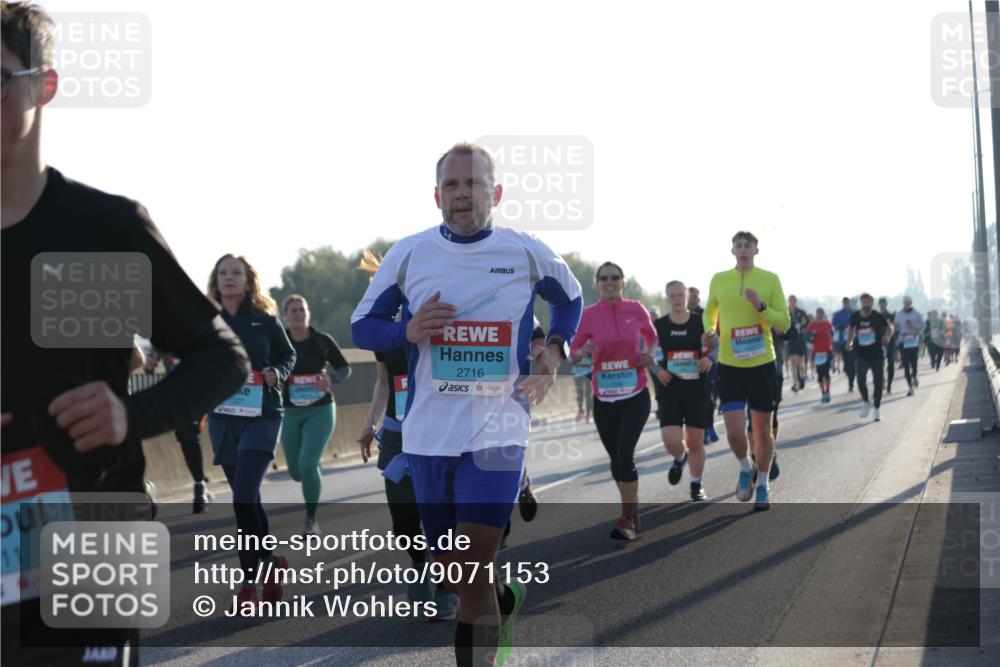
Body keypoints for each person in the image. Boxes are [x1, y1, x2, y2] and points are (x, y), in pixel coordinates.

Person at [2, 3, 249, 663]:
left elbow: (222, 355)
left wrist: (128, 413)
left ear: (44, 85)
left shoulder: (101, 227)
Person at [351, 143, 582, 667]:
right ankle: (503, 599)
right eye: (452, 186)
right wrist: (405, 329)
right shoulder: (409, 254)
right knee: (458, 577)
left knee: (473, 565)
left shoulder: (525, 252)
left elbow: (570, 299)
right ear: (436, 196)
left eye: (472, 184)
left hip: (498, 429)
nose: (462, 194)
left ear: (494, 193)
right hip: (429, 434)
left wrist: (553, 348)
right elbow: (361, 326)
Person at [207, 254, 296, 609]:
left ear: (248, 281)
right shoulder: (206, 321)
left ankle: (247, 584)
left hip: (263, 414)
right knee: (249, 500)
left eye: (236, 273)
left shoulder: (264, 320)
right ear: (215, 281)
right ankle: (271, 564)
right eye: (223, 273)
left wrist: (278, 372)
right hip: (223, 417)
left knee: (243, 496)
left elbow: (287, 356)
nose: (229, 278)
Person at [702, 231, 790, 512]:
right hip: (730, 364)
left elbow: (783, 323)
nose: (742, 249)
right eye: (738, 245)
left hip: (762, 364)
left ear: (756, 251)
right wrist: (708, 329)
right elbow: (709, 311)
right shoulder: (719, 279)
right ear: (732, 251)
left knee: (763, 431)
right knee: (734, 427)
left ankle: (762, 484)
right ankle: (743, 466)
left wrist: (761, 306)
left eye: (747, 245)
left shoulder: (769, 279)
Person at [571, 261, 657, 540]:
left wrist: (648, 354)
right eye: (604, 277)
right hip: (604, 398)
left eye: (615, 277)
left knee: (624, 455)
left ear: (623, 282)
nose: (610, 281)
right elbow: (572, 352)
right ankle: (630, 509)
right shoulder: (588, 315)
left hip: (635, 394)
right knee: (615, 460)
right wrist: (583, 349)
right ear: (597, 284)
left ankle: (627, 518)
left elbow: (652, 337)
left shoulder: (636, 309)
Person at [281, 294, 351, 535]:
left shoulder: (322, 340)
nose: (298, 314)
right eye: (293, 311)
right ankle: (310, 470)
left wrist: (331, 378)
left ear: (308, 314)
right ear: (286, 316)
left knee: (308, 464)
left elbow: (344, 367)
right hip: (290, 412)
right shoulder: (279, 342)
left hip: (320, 409)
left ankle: (311, 520)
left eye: (302, 310)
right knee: (296, 471)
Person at [652, 281, 713, 501]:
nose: (677, 299)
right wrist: (658, 370)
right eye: (673, 295)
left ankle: (696, 484)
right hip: (670, 389)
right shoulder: (659, 326)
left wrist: (709, 358)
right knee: (670, 438)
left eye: (681, 295)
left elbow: (719, 345)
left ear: (687, 296)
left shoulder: (701, 322)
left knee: (696, 441)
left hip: (697, 389)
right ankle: (679, 457)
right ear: (667, 298)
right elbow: (647, 354)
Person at [847, 293, 893, 422]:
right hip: (861, 354)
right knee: (860, 380)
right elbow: (851, 329)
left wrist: (887, 336)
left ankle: (877, 409)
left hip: (877, 354)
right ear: (861, 303)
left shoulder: (878, 316)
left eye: (869, 302)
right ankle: (866, 401)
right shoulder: (855, 316)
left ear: (872, 303)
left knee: (878, 382)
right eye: (864, 302)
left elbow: (890, 327)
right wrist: (849, 342)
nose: (866, 305)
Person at [688, 286, 720, 443]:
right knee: (694, 399)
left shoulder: (705, 315)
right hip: (688, 364)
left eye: (695, 297)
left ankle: (710, 426)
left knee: (709, 397)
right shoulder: (680, 316)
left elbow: (715, 338)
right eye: (690, 296)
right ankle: (698, 430)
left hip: (708, 362)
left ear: (698, 299)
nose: (692, 299)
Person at [894, 296, 924, 396]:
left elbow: (923, 326)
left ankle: (914, 376)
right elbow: (895, 326)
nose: (906, 304)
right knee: (906, 365)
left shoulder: (917, 314)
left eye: (908, 302)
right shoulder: (899, 314)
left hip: (914, 340)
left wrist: (913, 326)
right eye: (905, 302)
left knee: (914, 362)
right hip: (903, 340)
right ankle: (910, 387)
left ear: (911, 303)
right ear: (903, 303)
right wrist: (896, 328)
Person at [806, 309, 834, 402]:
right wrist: (811, 335)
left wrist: (831, 344)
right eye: (818, 314)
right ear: (816, 315)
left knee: (826, 373)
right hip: (817, 353)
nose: (820, 316)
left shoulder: (827, 324)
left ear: (823, 315)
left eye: (821, 314)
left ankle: (828, 392)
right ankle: (823, 393)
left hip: (826, 351)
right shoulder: (812, 325)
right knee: (820, 374)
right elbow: (807, 337)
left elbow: (831, 335)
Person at [786, 295, 810, 392]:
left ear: (796, 301)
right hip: (791, 339)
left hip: (800, 338)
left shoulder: (801, 312)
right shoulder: (785, 312)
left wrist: (801, 326)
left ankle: (802, 377)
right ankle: (795, 383)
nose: (792, 302)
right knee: (793, 361)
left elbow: (807, 322)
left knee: (800, 362)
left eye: (793, 300)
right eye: (790, 300)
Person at [832, 297, 855, 390]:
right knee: (847, 363)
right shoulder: (838, 314)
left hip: (854, 340)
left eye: (848, 303)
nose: (847, 304)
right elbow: (834, 324)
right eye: (845, 303)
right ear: (843, 303)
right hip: (843, 341)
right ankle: (849, 375)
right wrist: (842, 327)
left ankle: (851, 381)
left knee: (852, 361)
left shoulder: (854, 313)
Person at [878, 297, 897, 394]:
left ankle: (889, 385)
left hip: (890, 343)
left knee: (891, 365)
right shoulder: (876, 316)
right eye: (880, 303)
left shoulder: (891, 316)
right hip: (878, 344)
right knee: (879, 365)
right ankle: (882, 381)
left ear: (886, 304)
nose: (882, 305)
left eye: (883, 303)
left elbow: (895, 329)